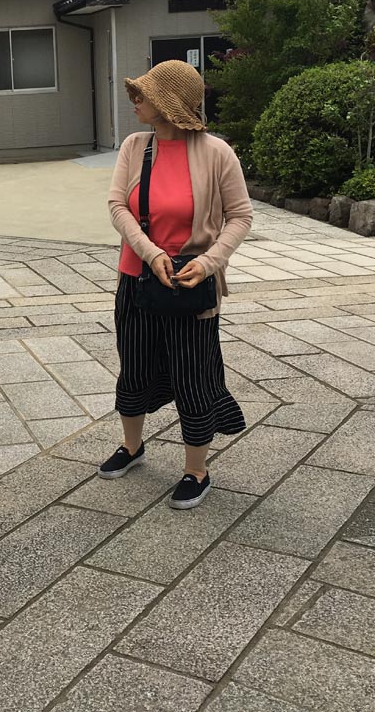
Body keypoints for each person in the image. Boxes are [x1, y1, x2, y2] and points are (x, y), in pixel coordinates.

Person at [99, 60, 252, 509]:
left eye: (142, 95)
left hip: (191, 284)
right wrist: (151, 253)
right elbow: (117, 206)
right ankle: (131, 446)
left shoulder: (217, 153)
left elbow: (240, 216)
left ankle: (196, 470)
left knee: (193, 374)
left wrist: (209, 262)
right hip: (136, 279)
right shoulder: (134, 146)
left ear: (168, 104)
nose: (135, 101)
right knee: (134, 366)